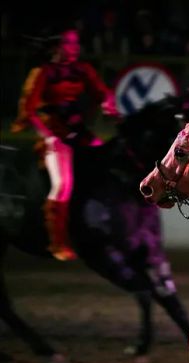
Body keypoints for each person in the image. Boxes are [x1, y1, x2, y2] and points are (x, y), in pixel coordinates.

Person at [12, 28, 118, 261]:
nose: (75, 47)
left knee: (108, 167)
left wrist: (107, 103)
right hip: (54, 134)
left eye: (76, 43)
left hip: (78, 130)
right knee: (63, 184)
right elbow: (29, 111)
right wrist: (48, 135)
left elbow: (102, 92)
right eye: (70, 43)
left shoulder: (83, 69)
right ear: (56, 46)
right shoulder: (42, 73)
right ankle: (57, 243)